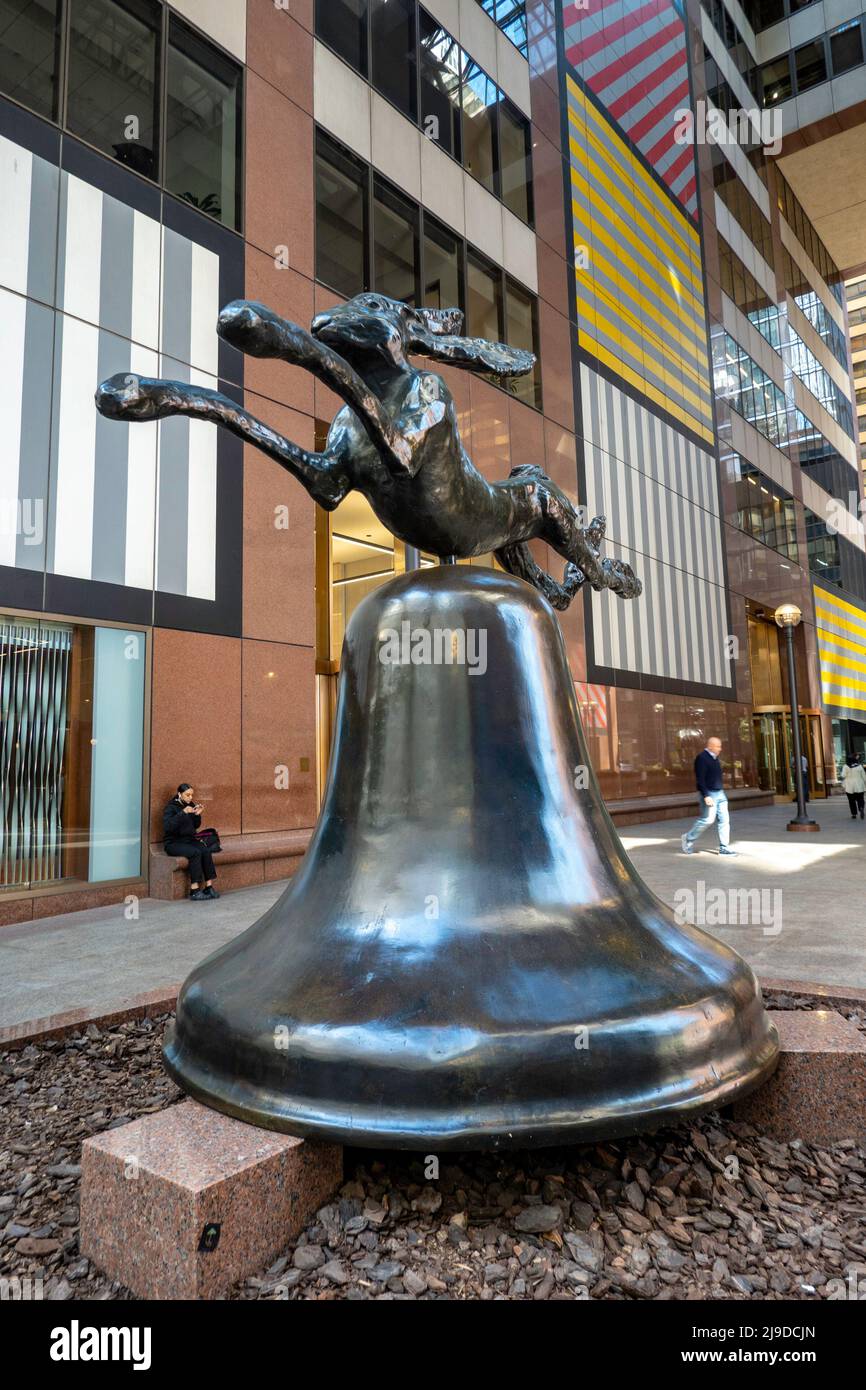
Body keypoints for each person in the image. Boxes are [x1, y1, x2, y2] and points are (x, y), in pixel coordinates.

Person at [163, 783, 220, 900]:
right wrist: (183, 813)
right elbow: (168, 827)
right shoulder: (171, 807)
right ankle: (194, 890)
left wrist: (197, 815)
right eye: (187, 795)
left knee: (205, 850)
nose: (190, 797)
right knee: (195, 852)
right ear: (179, 794)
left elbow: (195, 825)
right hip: (173, 843)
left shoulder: (191, 804)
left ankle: (208, 887)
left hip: (188, 840)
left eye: (191, 795)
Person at [681, 736, 736, 856]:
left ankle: (724, 848)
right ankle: (688, 838)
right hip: (709, 794)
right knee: (707, 820)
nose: (720, 749)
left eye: (720, 746)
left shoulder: (715, 758)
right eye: (718, 746)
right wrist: (706, 795)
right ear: (710, 746)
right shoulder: (702, 758)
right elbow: (700, 779)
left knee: (724, 821)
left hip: (720, 794)